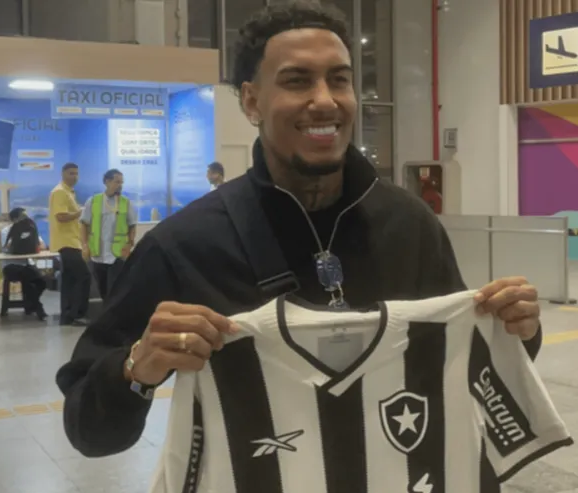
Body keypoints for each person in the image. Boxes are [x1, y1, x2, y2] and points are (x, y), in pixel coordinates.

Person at [57, 0, 542, 470]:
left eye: (340, 79)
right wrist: (136, 368)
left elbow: (470, 370)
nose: (325, 100)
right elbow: (88, 433)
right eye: (297, 80)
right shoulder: (182, 246)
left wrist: (515, 332)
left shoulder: (409, 225)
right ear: (251, 100)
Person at [81, 169, 137, 301]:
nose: (120, 185)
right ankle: (107, 310)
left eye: (121, 182)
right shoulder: (93, 201)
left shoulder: (126, 203)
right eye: (117, 182)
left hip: (117, 255)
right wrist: (84, 245)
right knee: (103, 291)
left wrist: (129, 244)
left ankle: (114, 313)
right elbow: (84, 224)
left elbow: (132, 226)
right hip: (98, 254)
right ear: (107, 182)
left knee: (115, 290)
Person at [49, 162, 91, 326]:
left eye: (76, 173)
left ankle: (67, 316)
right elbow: (61, 216)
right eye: (71, 173)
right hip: (67, 242)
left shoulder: (69, 193)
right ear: (63, 174)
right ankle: (77, 314)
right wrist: (81, 212)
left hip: (73, 241)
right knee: (83, 276)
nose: (74, 177)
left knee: (70, 280)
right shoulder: (60, 192)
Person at [0, 207, 48, 320]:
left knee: (43, 281)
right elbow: (6, 248)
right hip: (11, 265)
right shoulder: (6, 231)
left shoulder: (30, 228)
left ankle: (30, 304)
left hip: (26, 264)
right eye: (23, 216)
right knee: (28, 280)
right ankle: (39, 309)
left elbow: (42, 245)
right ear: (15, 219)